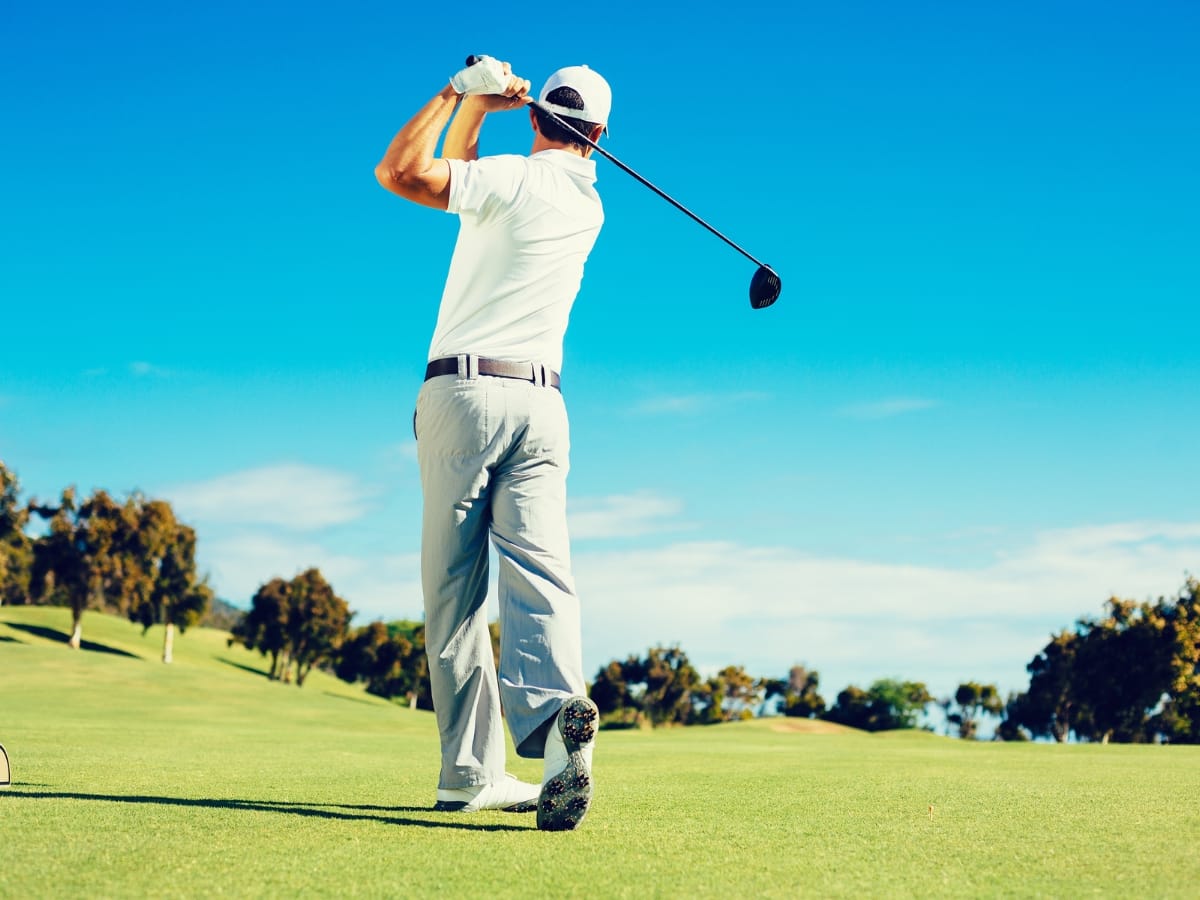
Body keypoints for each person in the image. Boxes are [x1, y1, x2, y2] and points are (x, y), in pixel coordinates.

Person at [374, 56, 609, 831]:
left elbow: (401, 173)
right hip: (543, 406)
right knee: (542, 574)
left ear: (537, 116)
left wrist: (458, 92)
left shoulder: (509, 179)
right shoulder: (586, 206)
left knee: (454, 593)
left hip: (465, 396)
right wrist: (477, 113)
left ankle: (471, 773)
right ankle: (552, 724)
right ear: (600, 135)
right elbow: (472, 185)